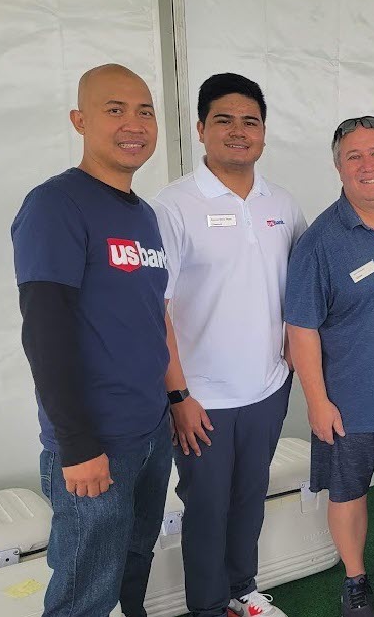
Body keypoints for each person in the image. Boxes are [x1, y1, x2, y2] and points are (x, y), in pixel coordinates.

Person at [11, 64, 172, 617]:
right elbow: (45, 333)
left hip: (151, 430)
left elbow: (149, 319)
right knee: (84, 589)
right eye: (115, 110)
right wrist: (77, 445)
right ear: (80, 120)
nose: (134, 123)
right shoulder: (56, 205)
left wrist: (172, 404)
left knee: (133, 559)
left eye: (145, 111)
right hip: (95, 445)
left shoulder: (144, 216)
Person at [153, 73, 306, 617]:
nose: (238, 132)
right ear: (200, 129)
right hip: (201, 398)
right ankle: (207, 606)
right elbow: (157, 309)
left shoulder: (283, 204)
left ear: (264, 133)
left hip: (267, 387)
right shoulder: (173, 206)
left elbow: (300, 291)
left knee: (248, 500)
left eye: (251, 122)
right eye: (224, 120)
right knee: (207, 507)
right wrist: (178, 397)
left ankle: (243, 589)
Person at [285, 116, 374, 617]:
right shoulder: (319, 242)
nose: (367, 165)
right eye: (353, 157)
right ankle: (355, 580)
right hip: (348, 401)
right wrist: (316, 400)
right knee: (349, 493)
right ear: (338, 169)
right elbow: (301, 328)